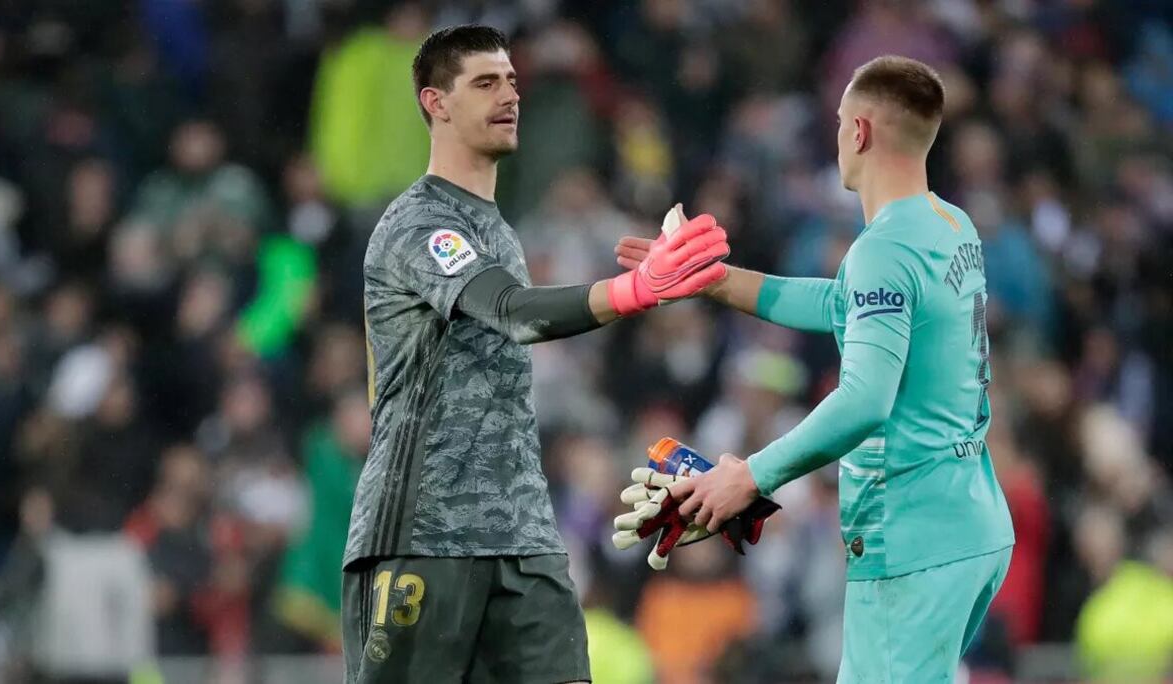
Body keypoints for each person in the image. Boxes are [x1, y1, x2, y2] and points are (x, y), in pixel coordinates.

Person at [343, 24, 730, 684]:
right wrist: (635, 290)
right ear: (435, 103)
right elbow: (514, 314)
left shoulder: (496, 230)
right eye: (486, 83)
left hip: (522, 535)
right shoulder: (420, 223)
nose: (510, 95)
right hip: (426, 532)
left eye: (514, 82)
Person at [616, 55, 1015, 682]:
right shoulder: (949, 225)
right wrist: (715, 282)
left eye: (837, 123)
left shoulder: (883, 250)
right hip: (969, 526)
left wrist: (751, 476)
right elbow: (842, 303)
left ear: (858, 132)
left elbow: (864, 401)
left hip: (909, 537)